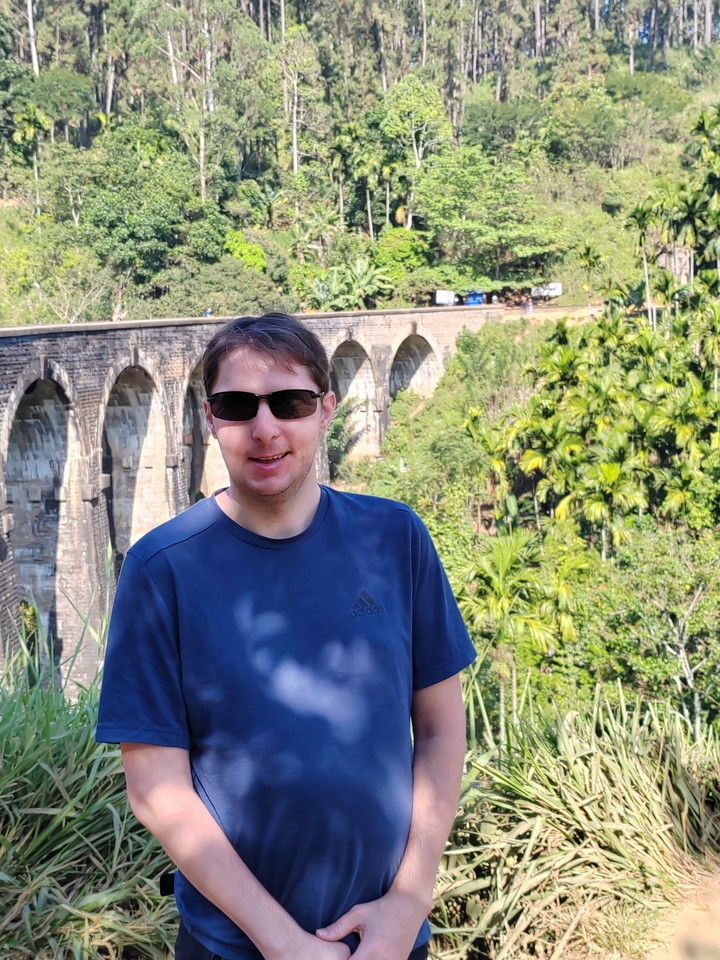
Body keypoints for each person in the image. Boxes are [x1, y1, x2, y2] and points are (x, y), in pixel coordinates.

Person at [96, 313, 476, 960]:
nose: (265, 428)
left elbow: (441, 729)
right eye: (239, 406)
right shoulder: (160, 569)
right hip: (236, 948)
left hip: (387, 940)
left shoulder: (395, 537)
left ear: (327, 409)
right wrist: (284, 944)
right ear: (211, 417)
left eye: (291, 402)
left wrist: (409, 902)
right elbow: (156, 789)